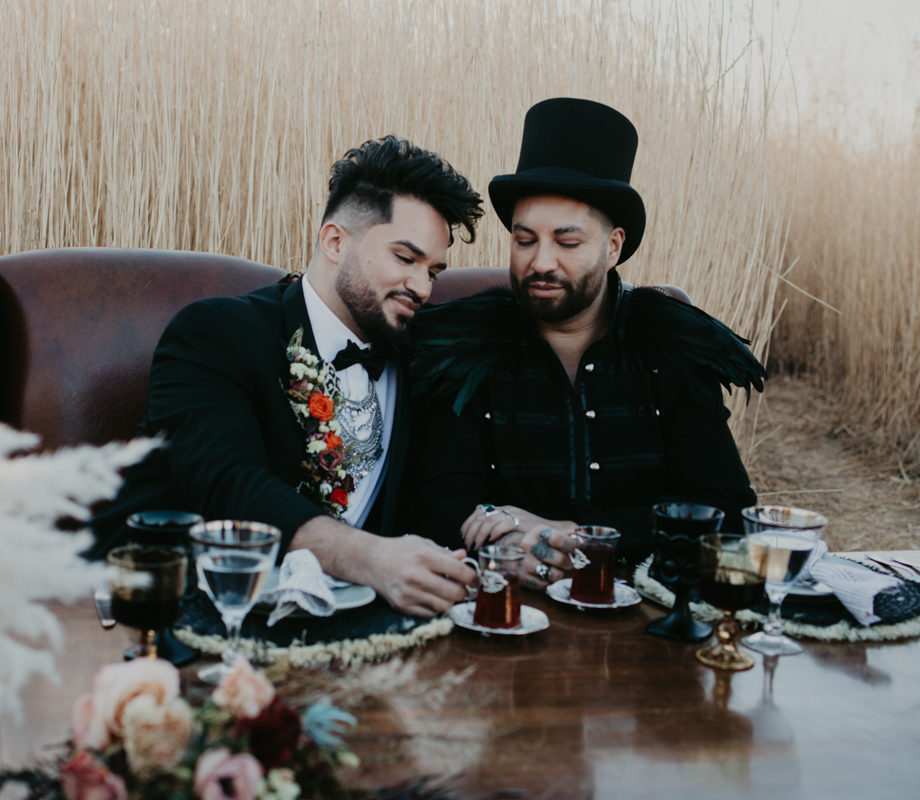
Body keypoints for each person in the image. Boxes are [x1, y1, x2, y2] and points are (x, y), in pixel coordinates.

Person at [89, 136, 482, 616]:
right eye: (405, 258)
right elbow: (230, 485)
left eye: (434, 272)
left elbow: (442, 492)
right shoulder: (213, 332)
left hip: (344, 637)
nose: (422, 287)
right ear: (335, 241)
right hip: (163, 611)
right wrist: (372, 557)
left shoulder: (421, 362)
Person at [406, 98, 764, 592]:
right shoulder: (466, 348)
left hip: (646, 620)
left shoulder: (670, 347)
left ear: (613, 246)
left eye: (567, 242)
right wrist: (505, 543)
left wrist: (576, 537)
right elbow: (436, 505)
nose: (541, 261)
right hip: (506, 609)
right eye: (525, 240)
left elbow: (727, 510)